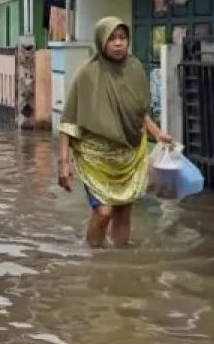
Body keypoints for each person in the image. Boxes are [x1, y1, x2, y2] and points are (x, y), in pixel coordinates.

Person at [56, 16, 174, 249]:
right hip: (95, 157)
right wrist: (64, 163)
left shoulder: (135, 69)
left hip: (128, 154)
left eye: (122, 38)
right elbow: (68, 122)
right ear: (102, 41)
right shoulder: (87, 74)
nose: (119, 43)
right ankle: (93, 256)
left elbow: (138, 112)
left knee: (123, 210)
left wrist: (158, 134)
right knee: (103, 211)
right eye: (112, 38)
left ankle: (118, 260)